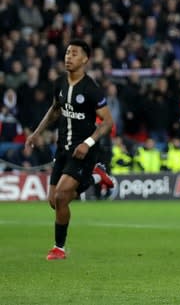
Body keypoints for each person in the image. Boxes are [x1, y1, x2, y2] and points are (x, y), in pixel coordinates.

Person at [25, 39, 114, 260]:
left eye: (74, 53)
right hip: (62, 149)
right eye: (67, 53)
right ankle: (95, 177)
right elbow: (55, 110)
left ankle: (59, 249)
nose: (68, 57)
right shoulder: (59, 83)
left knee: (63, 196)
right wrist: (37, 132)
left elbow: (108, 122)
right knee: (54, 201)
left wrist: (88, 143)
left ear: (85, 59)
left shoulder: (91, 89)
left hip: (83, 151)